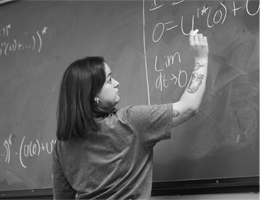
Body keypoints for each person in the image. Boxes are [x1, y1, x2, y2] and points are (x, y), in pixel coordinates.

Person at [52, 29, 209, 199]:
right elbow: (189, 107)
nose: (116, 83)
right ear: (94, 94)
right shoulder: (131, 122)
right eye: (109, 80)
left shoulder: (62, 146)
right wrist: (201, 59)